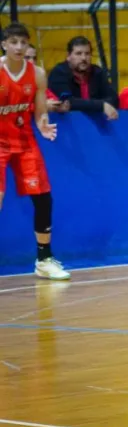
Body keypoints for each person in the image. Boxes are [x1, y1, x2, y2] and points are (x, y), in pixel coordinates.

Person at [0, 22, 68, 280]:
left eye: (23, 42)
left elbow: (39, 113)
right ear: (4, 45)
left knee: (43, 197)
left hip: (24, 140)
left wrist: (43, 127)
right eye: (13, 42)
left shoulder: (37, 74)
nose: (19, 47)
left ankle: (43, 260)